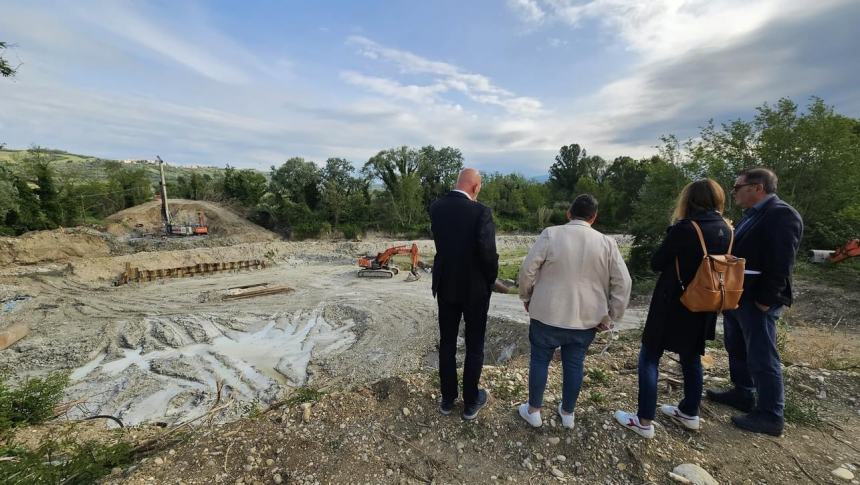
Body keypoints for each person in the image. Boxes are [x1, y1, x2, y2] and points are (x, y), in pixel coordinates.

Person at [614, 179, 731, 439]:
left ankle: (644, 420)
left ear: (689, 200)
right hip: (704, 303)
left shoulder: (686, 229)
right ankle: (690, 412)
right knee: (691, 357)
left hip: (672, 302)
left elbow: (658, 262)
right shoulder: (728, 229)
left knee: (649, 356)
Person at [517, 194, 631, 429]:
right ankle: (568, 413)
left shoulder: (551, 234)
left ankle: (534, 410)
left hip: (546, 313)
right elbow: (624, 282)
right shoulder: (607, 243)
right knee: (574, 364)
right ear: (594, 217)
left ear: (569, 213)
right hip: (586, 320)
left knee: (539, 360)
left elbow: (528, 269)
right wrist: (611, 317)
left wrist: (527, 296)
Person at [706, 168, 803, 436]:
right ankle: (743, 393)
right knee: (736, 347)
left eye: (738, 187)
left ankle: (771, 414)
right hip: (738, 297)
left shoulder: (782, 214)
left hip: (757, 300)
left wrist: (764, 300)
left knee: (762, 355)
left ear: (757, 187)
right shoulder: (754, 215)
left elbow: (782, 263)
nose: (734, 192)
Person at [429, 168, 499, 420]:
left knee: (447, 343)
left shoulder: (436, 208)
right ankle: (470, 401)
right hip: (475, 290)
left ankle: (447, 399)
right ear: (476, 187)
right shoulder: (481, 212)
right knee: (474, 344)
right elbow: (488, 253)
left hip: (446, 285)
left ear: (458, 183)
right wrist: (491, 279)